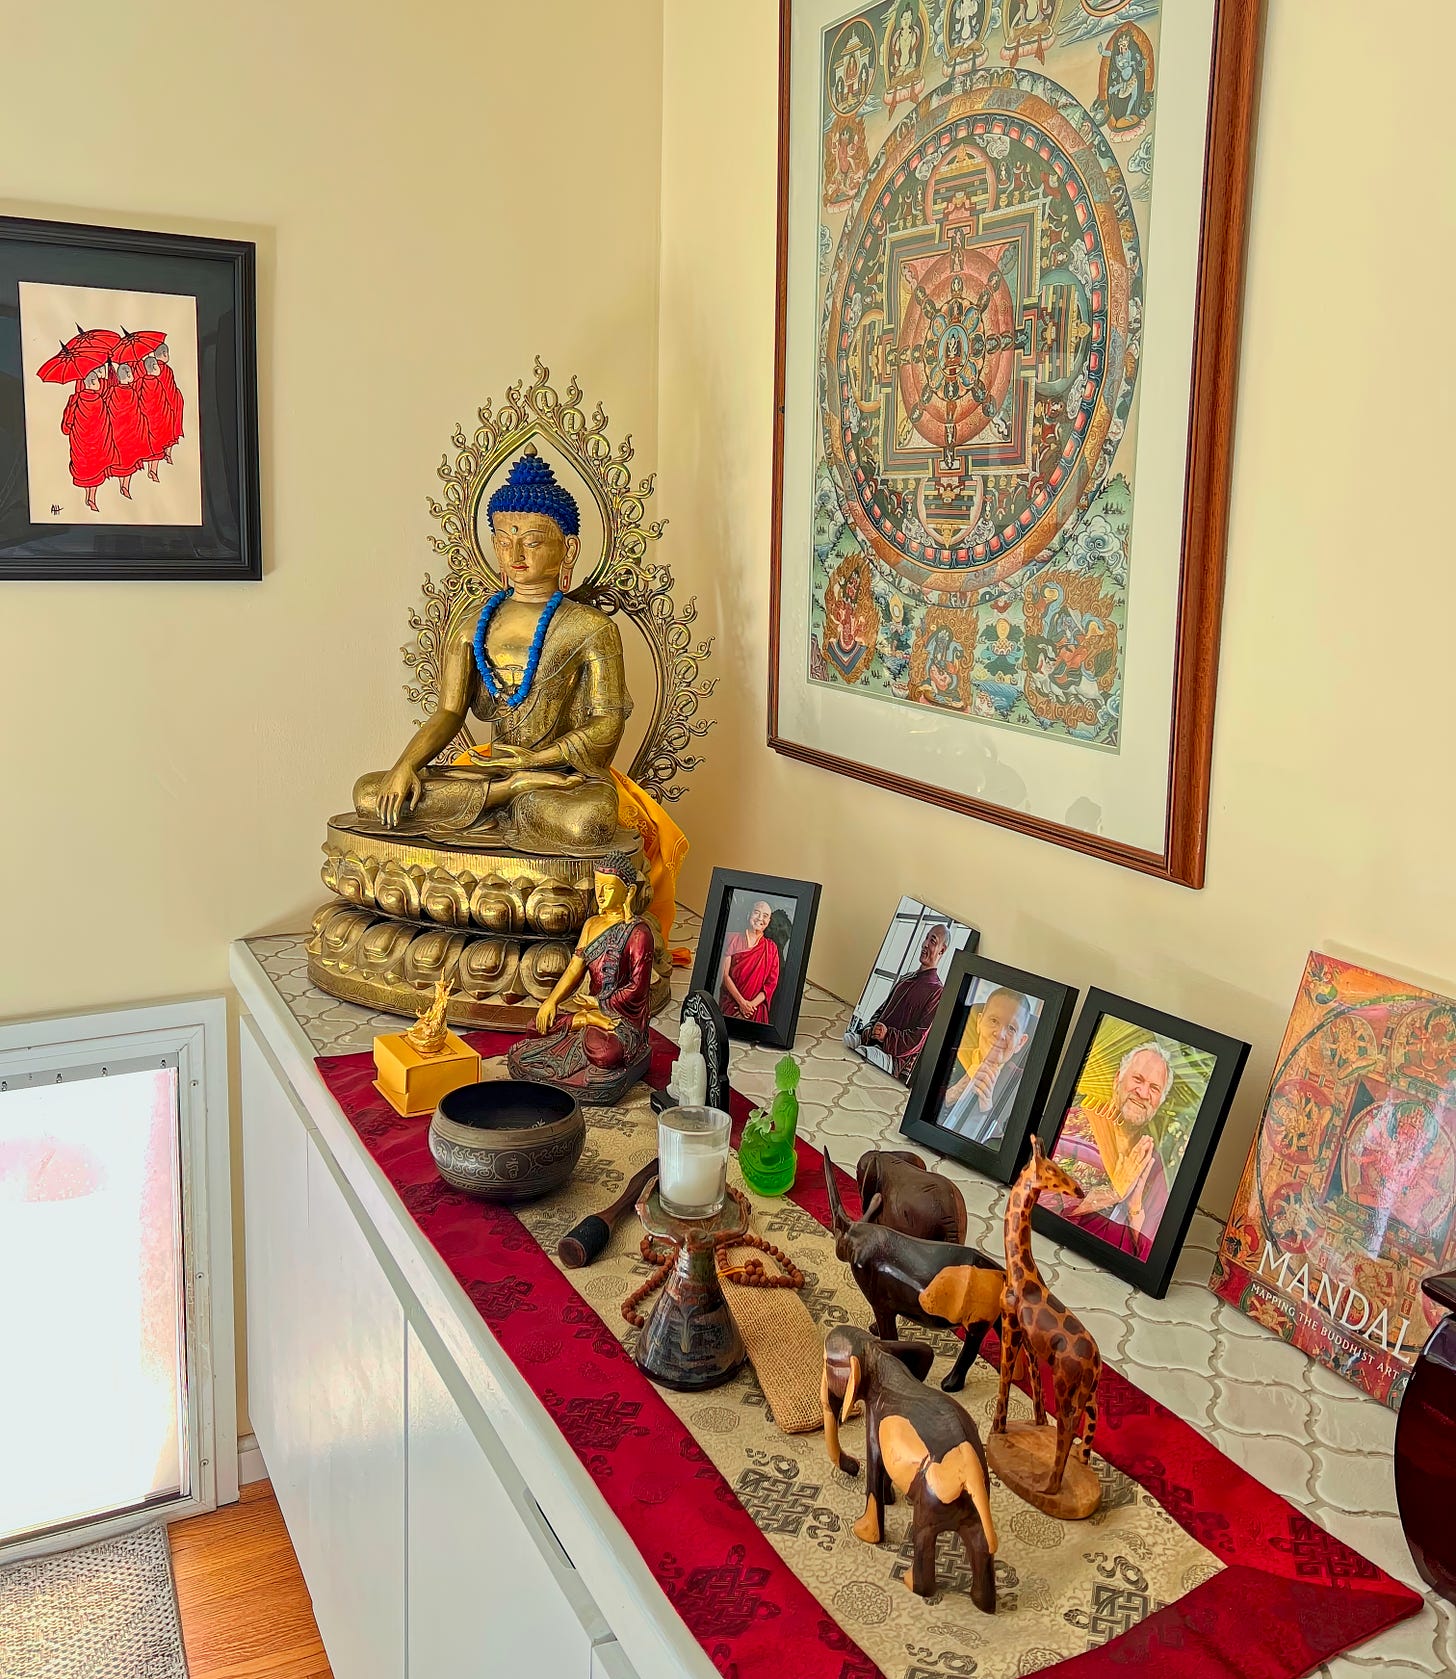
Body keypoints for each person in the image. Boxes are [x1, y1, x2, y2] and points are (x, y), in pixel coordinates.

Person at [507, 856, 654, 1102]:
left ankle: (584, 1026)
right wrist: (551, 1001)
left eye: (609, 888)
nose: (601, 894)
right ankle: (583, 1021)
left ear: (628, 892)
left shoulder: (638, 933)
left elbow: (637, 989)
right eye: (598, 887)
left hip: (621, 1020)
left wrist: (600, 1005)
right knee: (536, 1025)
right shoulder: (591, 924)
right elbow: (575, 970)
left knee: (606, 1054)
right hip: (591, 1011)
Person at [1053, 1042, 1175, 1261]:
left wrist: (1135, 1207)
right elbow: (1038, 1206)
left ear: (1159, 1102)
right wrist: (1113, 1192)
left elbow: (1147, 1257)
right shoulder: (1071, 1125)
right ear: (1117, 1079)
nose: (1143, 1093)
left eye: (1154, 1088)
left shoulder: (1154, 1170)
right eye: (1137, 1079)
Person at [846, 923, 950, 1083]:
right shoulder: (906, 977)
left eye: (932, 941)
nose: (925, 944)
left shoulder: (937, 991)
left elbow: (917, 1040)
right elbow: (881, 1009)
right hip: (870, 1040)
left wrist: (887, 1036)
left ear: (942, 950)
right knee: (845, 1040)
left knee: (859, 1055)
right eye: (926, 937)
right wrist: (868, 1029)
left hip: (892, 1059)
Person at [938, 987, 1033, 1142]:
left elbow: (1009, 1147)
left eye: (1011, 1028)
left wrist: (985, 1111)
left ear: (1020, 1042)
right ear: (979, 1022)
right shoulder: (947, 1056)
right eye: (994, 1021)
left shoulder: (1022, 1085)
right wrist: (956, 1091)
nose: (1000, 1034)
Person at [59, 366, 116, 513]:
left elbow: (66, 427)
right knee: (95, 471)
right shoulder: (100, 400)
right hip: (97, 445)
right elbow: (106, 423)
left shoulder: (74, 399)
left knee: (86, 471)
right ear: (93, 383)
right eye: (97, 380)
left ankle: (88, 496)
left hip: (81, 446)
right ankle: (91, 497)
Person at [719, 900, 780, 1023]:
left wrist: (750, 1006)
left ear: (768, 922)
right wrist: (742, 1003)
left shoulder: (771, 948)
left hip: (756, 1008)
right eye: (756, 913)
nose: (760, 918)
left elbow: (770, 985)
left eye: (765, 916)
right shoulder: (731, 939)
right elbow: (724, 976)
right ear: (749, 914)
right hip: (732, 1003)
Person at [103, 361, 151, 498]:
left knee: (122, 462)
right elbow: (137, 410)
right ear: (128, 375)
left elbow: (106, 406)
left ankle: (122, 486)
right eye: (131, 373)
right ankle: (125, 486)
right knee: (128, 462)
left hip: (118, 433)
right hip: (129, 433)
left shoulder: (112, 391)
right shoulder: (132, 392)